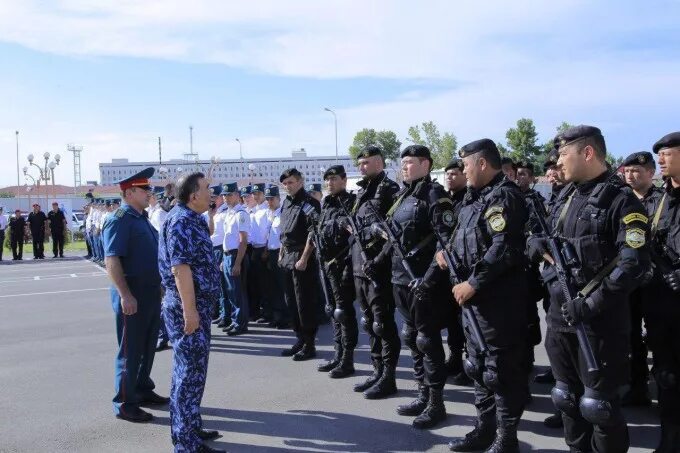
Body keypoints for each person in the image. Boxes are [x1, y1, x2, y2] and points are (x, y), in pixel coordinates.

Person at [526, 125, 650, 453]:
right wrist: (536, 244)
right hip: (559, 316)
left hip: (599, 324)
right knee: (566, 398)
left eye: (564, 154)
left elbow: (633, 263)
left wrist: (592, 302)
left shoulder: (621, 201)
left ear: (588, 152)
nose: (557, 162)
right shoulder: (566, 195)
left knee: (599, 407)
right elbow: (546, 237)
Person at [444, 139, 530, 452]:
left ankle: (507, 440)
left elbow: (503, 246)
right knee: (477, 367)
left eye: (466, 166)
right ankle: (484, 431)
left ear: (482, 163)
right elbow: (466, 240)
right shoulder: (472, 200)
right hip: (474, 303)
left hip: (498, 301)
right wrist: (447, 254)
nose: (462, 172)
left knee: (499, 372)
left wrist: (474, 283)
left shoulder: (503, 196)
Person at [380, 145, 455, 429]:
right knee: (411, 336)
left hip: (424, 282)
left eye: (410, 162)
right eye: (403, 163)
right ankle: (422, 394)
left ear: (426, 163)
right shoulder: (403, 196)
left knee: (427, 340)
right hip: (401, 278)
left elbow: (445, 241)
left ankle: (437, 403)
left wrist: (429, 279)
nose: (405, 167)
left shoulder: (435, 195)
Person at [158, 172, 224, 453]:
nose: (212, 192)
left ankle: (190, 427)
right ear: (193, 195)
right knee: (189, 376)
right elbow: (180, 269)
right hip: (189, 309)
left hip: (197, 306)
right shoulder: (181, 221)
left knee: (190, 373)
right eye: (207, 188)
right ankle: (187, 445)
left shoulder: (191, 217)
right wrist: (190, 312)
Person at [102, 167, 169, 423]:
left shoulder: (141, 218)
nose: (149, 193)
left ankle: (141, 388)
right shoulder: (119, 219)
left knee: (147, 346)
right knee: (130, 350)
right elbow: (112, 259)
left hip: (150, 293)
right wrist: (125, 295)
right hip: (133, 295)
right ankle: (124, 402)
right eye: (145, 189)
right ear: (130, 192)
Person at [349, 145, 402, 399]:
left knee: (383, 324)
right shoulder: (362, 192)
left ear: (380, 163)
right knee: (369, 323)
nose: (362, 167)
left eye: (366, 162)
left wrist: (379, 261)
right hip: (360, 266)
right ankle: (377, 370)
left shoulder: (391, 191)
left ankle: (389, 377)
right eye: (360, 163)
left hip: (378, 268)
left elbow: (394, 235)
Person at [621, 151, 664, 407]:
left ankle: (664, 387)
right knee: (631, 336)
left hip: (658, 281)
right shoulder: (621, 200)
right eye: (627, 171)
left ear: (650, 173)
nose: (630, 175)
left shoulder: (662, 200)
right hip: (631, 281)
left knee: (659, 337)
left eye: (636, 171)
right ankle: (638, 387)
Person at [646, 132, 680, 451]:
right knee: (667, 375)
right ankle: (670, 437)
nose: (661, 159)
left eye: (667, 153)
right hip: (661, 305)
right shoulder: (657, 201)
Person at [315, 165, 359, 378]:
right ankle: (338, 354)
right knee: (332, 310)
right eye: (327, 180)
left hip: (343, 265)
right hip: (327, 265)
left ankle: (348, 359)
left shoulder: (350, 203)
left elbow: (354, 239)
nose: (329, 183)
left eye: (333, 179)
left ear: (344, 180)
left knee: (343, 312)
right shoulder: (327, 203)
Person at [278, 168, 321, 361]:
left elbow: (313, 233)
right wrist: (281, 253)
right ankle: (299, 339)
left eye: (291, 182)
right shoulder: (286, 203)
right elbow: (284, 232)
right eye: (285, 184)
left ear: (300, 182)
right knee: (291, 301)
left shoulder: (309, 203)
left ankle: (310, 344)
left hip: (303, 255)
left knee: (304, 301)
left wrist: (304, 258)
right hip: (287, 255)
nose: (288, 186)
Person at [442, 159, 473, 386]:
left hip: (464, 270)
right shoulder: (445, 201)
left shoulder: (469, 199)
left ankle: (470, 363)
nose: (450, 177)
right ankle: (454, 357)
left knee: (467, 320)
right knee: (452, 319)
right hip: (447, 270)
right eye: (447, 174)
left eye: (454, 173)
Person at [221, 182, 250, 336]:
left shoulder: (241, 214)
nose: (225, 197)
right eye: (224, 195)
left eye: (229, 194)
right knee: (231, 292)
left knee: (238, 292)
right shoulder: (229, 213)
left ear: (237, 196)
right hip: (227, 255)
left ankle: (241, 323)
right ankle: (234, 321)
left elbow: (243, 241)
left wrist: (237, 262)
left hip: (235, 256)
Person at [264, 186, 291, 329]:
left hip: (281, 254)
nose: (269, 201)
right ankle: (278, 316)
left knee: (284, 287)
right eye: (267, 199)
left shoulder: (283, 214)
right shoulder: (271, 214)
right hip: (272, 254)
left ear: (279, 199)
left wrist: (281, 255)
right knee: (274, 287)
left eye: (272, 199)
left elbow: (284, 238)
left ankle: (287, 317)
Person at [204, 185, 229, 325]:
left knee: (224, 285)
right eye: (211, 197)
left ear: (221, 198)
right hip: (211, 249)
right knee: (215, 284)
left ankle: (226, 314)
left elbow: (227, 235)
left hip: (221, 249)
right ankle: (220, 312)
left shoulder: (225, 212)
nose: (212, 199)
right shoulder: (211, 212)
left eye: (215, 197)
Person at [249, 183, 273, 324]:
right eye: (254, 194)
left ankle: (268, 313)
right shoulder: (254, 210)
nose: (255, 196)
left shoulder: (267, 210)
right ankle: (261, 311)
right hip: (254, 249)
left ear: (264, 194)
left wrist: (265, 250)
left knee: (266, 284)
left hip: (264, 249)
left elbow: (270, 231)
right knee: (257, 283)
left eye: (258, 193)